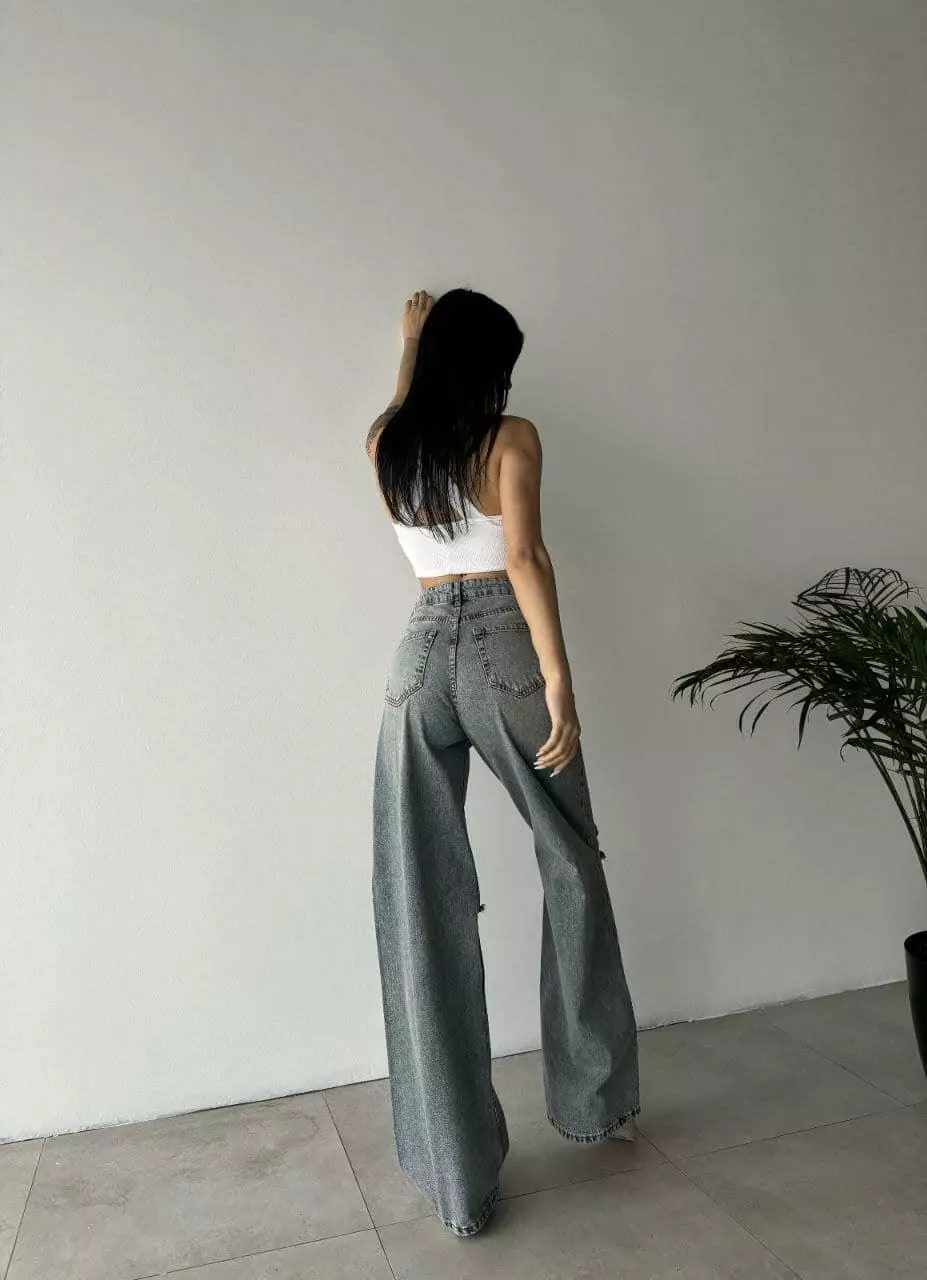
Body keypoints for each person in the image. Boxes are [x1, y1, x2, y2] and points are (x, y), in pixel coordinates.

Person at [365, 287, 639, 1238]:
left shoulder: (387, 443)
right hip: (501, 651)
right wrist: (558, 680)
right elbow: (525, 556)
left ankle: (457, 1178)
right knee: (570, 861)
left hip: (414, 664)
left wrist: (407, 344)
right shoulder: (511, 437)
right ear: (489, 367)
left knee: (417, 894)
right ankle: (592, 1100)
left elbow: (401, 405)